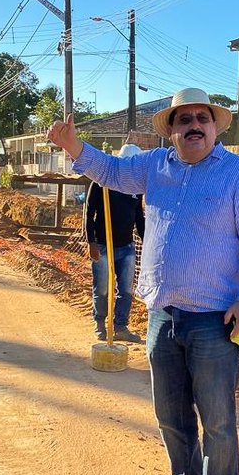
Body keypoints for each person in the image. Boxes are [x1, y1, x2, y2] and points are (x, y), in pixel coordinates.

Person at [48, 88, 239, 475]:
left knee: (217, 420)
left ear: (215, 127)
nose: (194, 125)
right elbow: (110, 171)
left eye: (202, 118)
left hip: (217, 320)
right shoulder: (155, 167)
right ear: (171, 130)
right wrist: (74, 148)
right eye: (184, 119)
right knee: (170, 414)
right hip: (163, 315)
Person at [86, 144, 145, 343]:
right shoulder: (102, 182)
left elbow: (139, 217)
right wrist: (91, 242)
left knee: (126, 290)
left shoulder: (136, 187)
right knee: (102, 288)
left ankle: (120, 326)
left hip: (126, 246)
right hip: (102, 245)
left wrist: (147, 242)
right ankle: (100, 323)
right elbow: (89, 213)